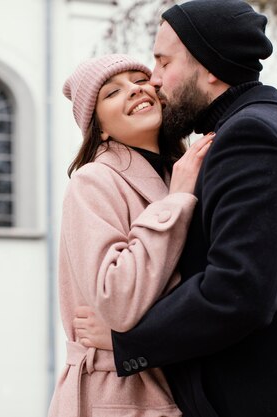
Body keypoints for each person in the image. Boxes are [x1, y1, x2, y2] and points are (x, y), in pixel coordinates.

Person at [73, 1, 277, 416]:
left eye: (163, 63)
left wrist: (126, 342)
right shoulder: (241, 133)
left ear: (210, 68)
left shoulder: (249, 137)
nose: (153, 80)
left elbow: (238, 291)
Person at [47, 54, 213, 417]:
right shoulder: (93, 182)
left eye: (140, 79)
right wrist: (177, 202)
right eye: (112, 92)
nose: (135, 89)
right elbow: (117, 299)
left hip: (183, 381)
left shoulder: (184, 171)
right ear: (99, 127)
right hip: (118, 394)